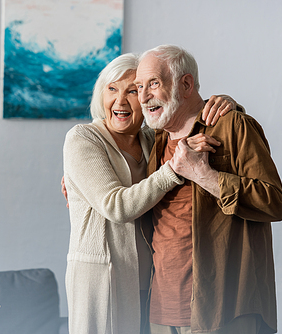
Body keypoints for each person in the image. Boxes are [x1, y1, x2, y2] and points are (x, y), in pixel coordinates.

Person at [63, 52, 236, 334]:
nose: (120, 101)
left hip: (151, 282)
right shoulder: (83, 138)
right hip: (102, 280)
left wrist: (229, 103)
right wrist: (174, 169)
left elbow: (186, 111)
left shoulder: (151, 139)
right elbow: (116, 206)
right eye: (112, 89)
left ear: (146, 98)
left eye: (133, 90)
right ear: (100, 95)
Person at [134, 45, 282, 334]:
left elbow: (275, 203)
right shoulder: (151, 139)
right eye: (139, 86)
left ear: (187, 84)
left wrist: (206, 176)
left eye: (153, 83)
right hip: (161, 311)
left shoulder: (233, 126)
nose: (143, 97)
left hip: (225, 308)